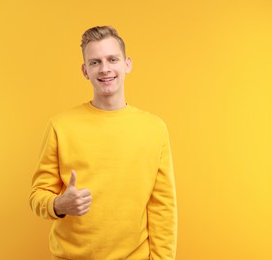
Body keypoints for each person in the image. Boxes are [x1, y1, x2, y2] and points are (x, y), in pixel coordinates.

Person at [29, 25, 177, 260]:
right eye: (95, 62)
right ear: (85, 70)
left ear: (127, 64)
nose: (105, 68)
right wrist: (59, 204)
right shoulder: (60, 126)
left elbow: (163, 208)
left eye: (112, 59)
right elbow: (38, 194)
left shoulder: (155, 129)